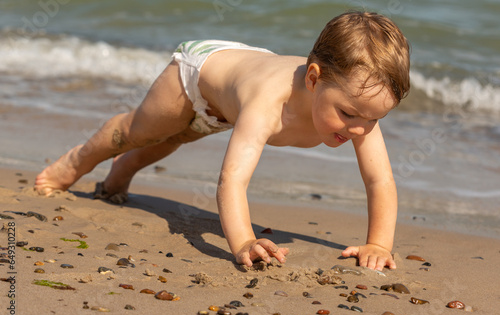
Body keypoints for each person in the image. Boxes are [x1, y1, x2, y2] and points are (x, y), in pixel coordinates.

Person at [35, 11, 410, 271]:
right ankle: (76, 162)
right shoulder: (267, 103)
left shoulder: (357, 109)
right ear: (313, 79)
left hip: (234, 89)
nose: (361, 129)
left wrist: (378, 244)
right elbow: (232, 179)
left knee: (176, 138)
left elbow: (380, 180)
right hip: (199, 73)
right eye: (348, 114)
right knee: (143, 131)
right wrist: (244, 241)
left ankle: (117, 180)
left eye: (375, 118)